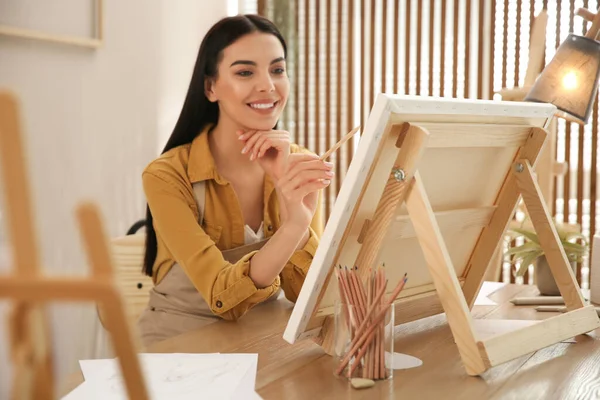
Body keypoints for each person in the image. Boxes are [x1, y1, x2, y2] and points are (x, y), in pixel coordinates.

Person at [137, 14, 334, 347]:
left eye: (277, 69)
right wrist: (292, 227)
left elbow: (309, 296)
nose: (268, 86)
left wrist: (297, 219)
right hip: (178, 344)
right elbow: (220, 294)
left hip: (265, 339)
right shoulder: (166, 175)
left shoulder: (298, 161)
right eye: (245, 72)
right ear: (210, 87)